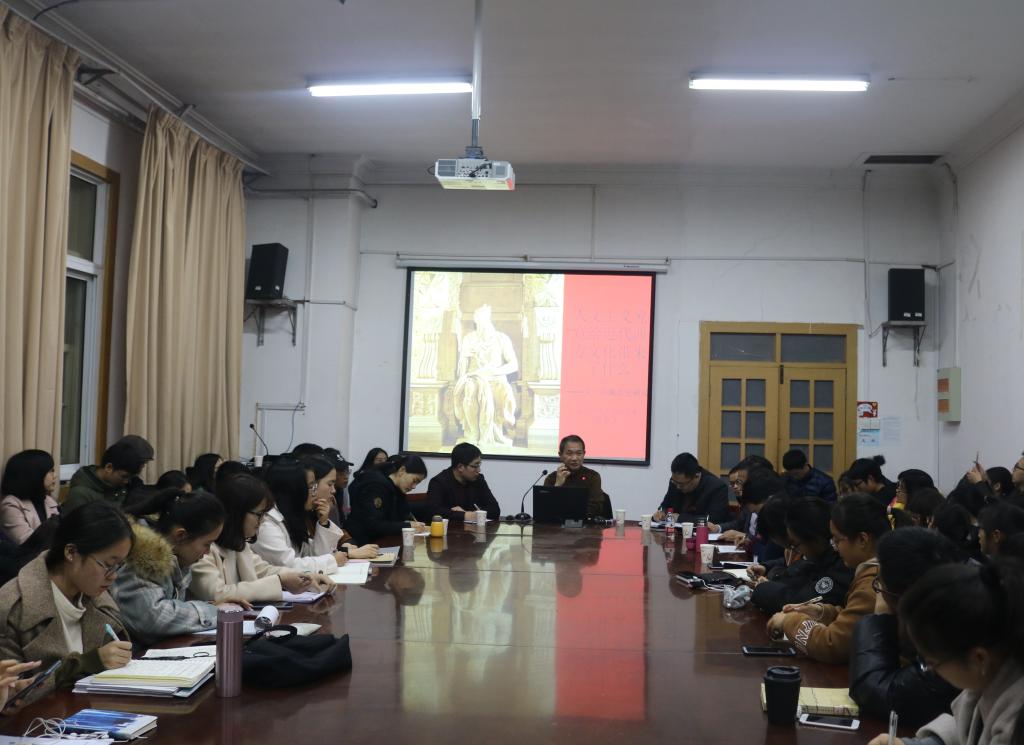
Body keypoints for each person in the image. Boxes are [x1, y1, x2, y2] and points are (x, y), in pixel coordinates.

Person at [867, 558, 1024, 745]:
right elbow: (964, 727)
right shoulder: (989, 675)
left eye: (932, 662)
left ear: (979, 658)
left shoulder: (1016, 723)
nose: (931, 670)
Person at [0, 501, 133, 698]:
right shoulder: (13, 607)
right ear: (71, 552)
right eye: (108, 565)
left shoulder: (97, 597)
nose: (113, 576)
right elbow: (12, 696)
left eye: (119, 566)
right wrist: (86, 663)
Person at [849, 527, 961, 728]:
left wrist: (881, 616)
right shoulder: (953, 603)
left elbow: (878, 692)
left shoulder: (952, 639)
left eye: (879, 583)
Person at [768, 493, 890, 664]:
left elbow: (833, 645)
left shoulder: (873, 584)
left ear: (862, 539)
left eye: (837, 540)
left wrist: (789, 621)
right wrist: (820, 612)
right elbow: (858, 619)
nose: (835, 547)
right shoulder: (875, 570)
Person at [112, 489, 244, 644]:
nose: (208, 552)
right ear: (181, 535)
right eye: (206, 544)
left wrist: (213, 606)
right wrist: (216, 612)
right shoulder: (142, 560)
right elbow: (154, 618)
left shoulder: (179, 558)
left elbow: (171, 607)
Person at [191, 474, 335, 603]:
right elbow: (218, 594)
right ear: (237, 513)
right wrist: (280, 580)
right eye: (259, 514)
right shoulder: (202, 549)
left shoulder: (239, 543)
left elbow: (264, 570)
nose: (263, 520)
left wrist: (306, 577)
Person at [751, 497, 853, 614]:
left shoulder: (843, 564)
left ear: (815, 538)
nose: (795, 550)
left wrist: (763, 588)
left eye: (796, 544)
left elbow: (800, 601)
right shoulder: (820, 555)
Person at [252, 459, 352, 573]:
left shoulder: (292, 517)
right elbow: (288, 566)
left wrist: (323, 523)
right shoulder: (266, 524)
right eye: (311, 487)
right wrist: (332, 561)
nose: (315, 493)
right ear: (293, 489)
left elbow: (312, 554)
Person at [452, 304, 519, 446]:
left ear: (489, 320)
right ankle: (474, 432)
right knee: (470, 389)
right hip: (474, 377)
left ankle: (496, 431)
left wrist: (495, 371)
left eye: (484, 321)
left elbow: (513, 365)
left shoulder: (501, 338)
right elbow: (462, 369)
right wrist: (464, 355)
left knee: (504, 389)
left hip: (495, 377)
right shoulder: (469, 338)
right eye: (478, 322)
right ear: (475, 322)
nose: (481, 326)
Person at [345, 455, 428, 545]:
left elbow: (403, 515)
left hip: (380, 540)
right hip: (362, 542)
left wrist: (411, 523)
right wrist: (408, 526)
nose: (414, 487)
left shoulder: (398, 488)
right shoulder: (376, 486)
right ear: (402, 470)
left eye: (417, 483)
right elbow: (374, 525)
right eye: (414, 480)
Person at [709, 467, 785, 562]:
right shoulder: (754, 504)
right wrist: (751, 543)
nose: (757, 516)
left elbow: (768, 557)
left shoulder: (779, 520)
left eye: (756, 512)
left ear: (769, 499)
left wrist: (752, 543)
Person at [63, 442, 147, 513]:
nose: (126, 481)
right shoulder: (80, 494)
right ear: (109, 468)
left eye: (130, 477)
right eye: (124, 476)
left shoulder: (123, 485)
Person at [426, 443, 501, 522]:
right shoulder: (439, 482)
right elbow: (433, 512)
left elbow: (495, 510)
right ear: (460, 467)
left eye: (479, 465)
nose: (479, 470)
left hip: (474, 529)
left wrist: (467, 514)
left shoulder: (478, 480)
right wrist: (466, 515)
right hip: (450, 529)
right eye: (475, 466)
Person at [1, 449, 59, 544]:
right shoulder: (11, 505)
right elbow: (28, 543)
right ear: (35, 474)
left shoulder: (48, 500)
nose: (55, 475)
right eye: (51, 471)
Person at [543, 435, 609, 519]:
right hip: (556, 524)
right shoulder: (551, 478)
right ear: (560, 455)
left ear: (584, 454)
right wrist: (557, 485)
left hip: (585, 524)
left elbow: (596, 508)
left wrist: (569, 514)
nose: (574, 458)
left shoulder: (593, 476)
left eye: (579, 453)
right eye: (569, 453)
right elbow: (545, 508)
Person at [654, 452, 728, 525]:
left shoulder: (717, 487)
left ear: (696, 476)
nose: (677, 487)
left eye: (681, 484)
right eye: (675, 482)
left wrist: (680, 518)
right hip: (675, 530)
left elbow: (714, 519)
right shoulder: (675, 482)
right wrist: (661, 511)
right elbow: (665, 505)